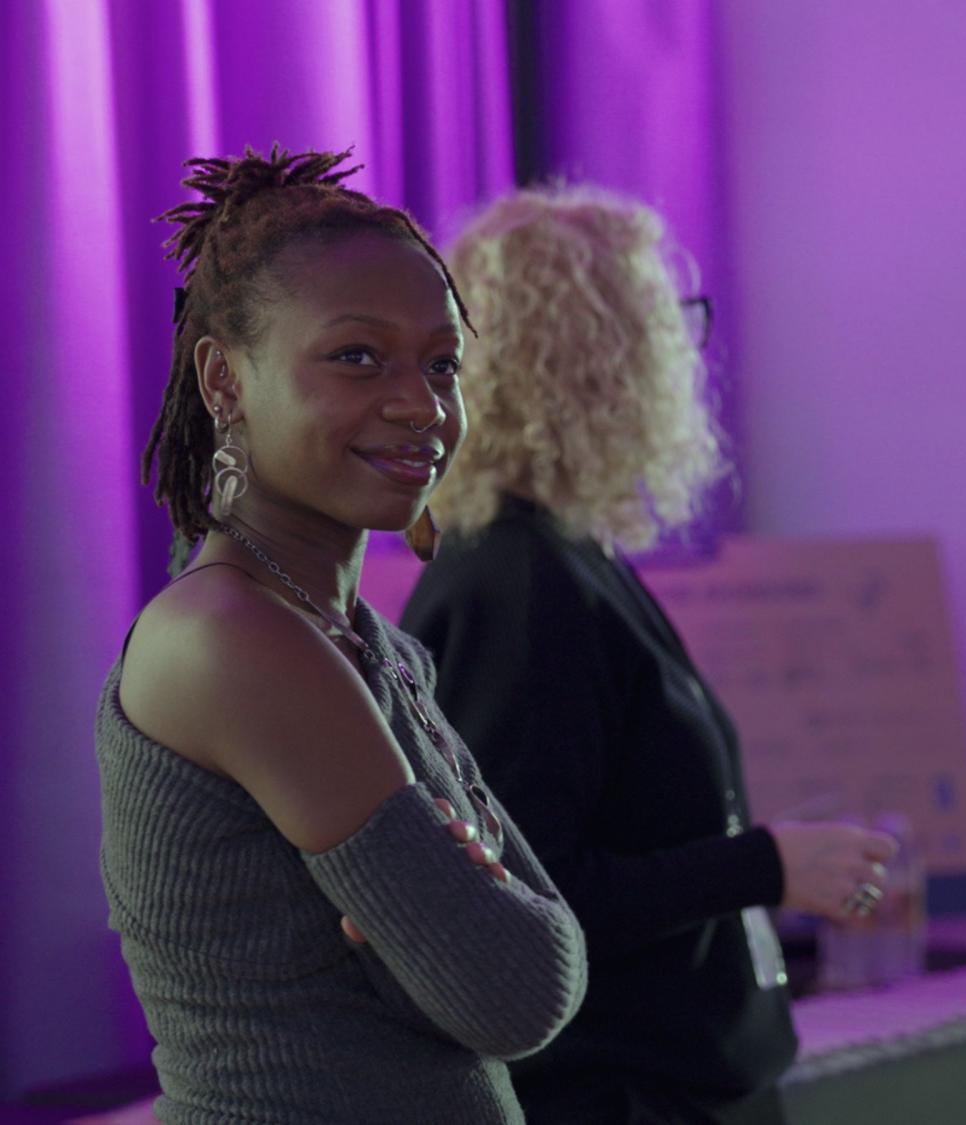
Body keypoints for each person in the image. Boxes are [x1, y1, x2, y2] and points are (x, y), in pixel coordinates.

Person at [98, 145, 586, 1124]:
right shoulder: (234, 638)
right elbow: (521, 990)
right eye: (356, 356)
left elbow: (511, 971)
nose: (422, 405)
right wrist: (458, 918)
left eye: (440, 362)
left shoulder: (366, 642)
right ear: (224, 381)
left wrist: (443, 944)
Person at [400, 185, 898, 1124]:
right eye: (669, 322)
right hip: (611, 1096)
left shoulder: (562, 555)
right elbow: (526, 896)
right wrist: (764, 864)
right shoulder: (521, 582)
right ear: (602, 357)